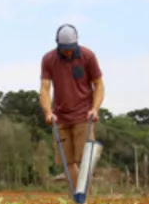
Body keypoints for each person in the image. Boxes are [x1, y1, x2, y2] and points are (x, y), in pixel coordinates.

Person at [39, 23, 104, 181]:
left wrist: (95, 109)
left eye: (71, 48)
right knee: (67, 162)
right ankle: (78, 199)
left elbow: (99, 84)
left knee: (86, 159)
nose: (68, 51)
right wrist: (48, 112)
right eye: (64, 48)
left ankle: (83, 197)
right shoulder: (48, 59)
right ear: (58, 45)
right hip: (60, 117)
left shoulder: (88, 56)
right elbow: (45, 88)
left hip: (83, 115)